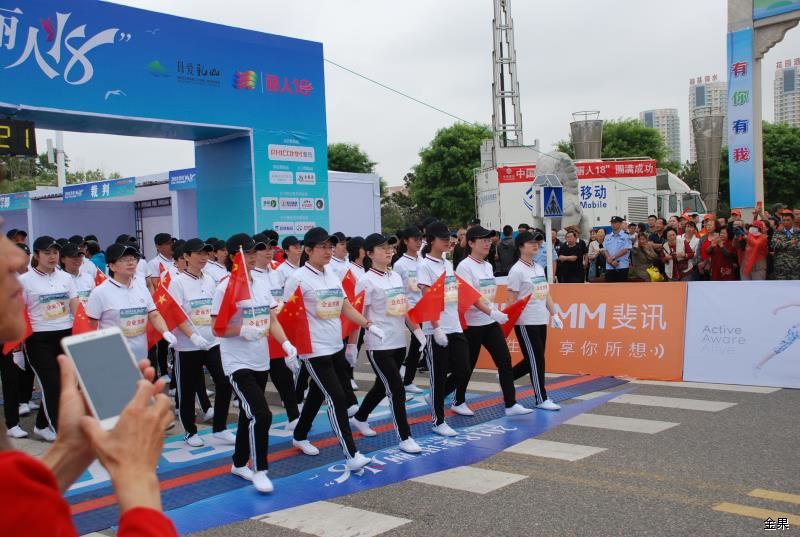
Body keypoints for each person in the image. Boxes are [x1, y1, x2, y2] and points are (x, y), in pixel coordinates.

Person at [286, 227, 380, 472]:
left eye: (330, 246)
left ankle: (300, 434)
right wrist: (289, 349)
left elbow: (345, 307)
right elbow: (286, 316)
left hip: (335, 345)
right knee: (337, 398)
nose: (328, 251)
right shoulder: (298, 278)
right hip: (313, 350)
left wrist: (368, 325)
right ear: (308, 250)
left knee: (318, 394)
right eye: (323, 247)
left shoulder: (331, 274)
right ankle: (351, 454)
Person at [211, 233, 299, 493]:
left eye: (254, 252)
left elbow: (272, 318)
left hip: (261, 360)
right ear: (233, 256)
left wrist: (286, 344)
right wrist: (241, 330)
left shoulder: (261, 281)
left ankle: (238, 463)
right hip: (237, 363)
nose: (252, 257)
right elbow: (217, 328)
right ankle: (260, 469)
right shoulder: (225, 287)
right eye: (247, 253)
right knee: (261, 414)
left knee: (247, 415)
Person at [347, 233, 424, 454]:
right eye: (382, 248)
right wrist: (352, 346)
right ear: (369, 254)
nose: (388, 251)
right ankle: (405, 437)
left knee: (382, 386)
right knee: (396, 389)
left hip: (398, 342)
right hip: (378, 345)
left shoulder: (395, 277)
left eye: (389, 247)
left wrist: (418, 332)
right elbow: (356, 314)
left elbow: (404, 308)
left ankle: (360, 417)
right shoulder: (365, 281)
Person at [451, 225, 530, 416]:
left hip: (489, 323)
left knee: (504, 361)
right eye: (483, 240)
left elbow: (487, 295)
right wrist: (491, 312)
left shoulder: (487, 265)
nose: (487, 243)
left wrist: (493, 311)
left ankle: (510, 404)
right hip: (472, 325)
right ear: (471, 243)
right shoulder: (464, 267)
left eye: (489, 240)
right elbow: (470, 296)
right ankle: (456, 400)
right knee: (466, 367)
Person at [169, 239, 235, 448]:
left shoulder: (210, 280)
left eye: (206, 253)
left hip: (213, 342)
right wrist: (192, 336)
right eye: (198, 253)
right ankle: (190, 431)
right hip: (188, 346)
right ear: (186, 256)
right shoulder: (178, 282)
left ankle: (220, 427)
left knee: (224, 382)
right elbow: (175, 314)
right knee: (187, 390)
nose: (203, 257)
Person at [19, 236, 80, 441]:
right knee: (52, 384)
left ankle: (42, 425)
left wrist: (86, 329)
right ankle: (60, 431)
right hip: (39, 339)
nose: (52, 256)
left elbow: (74, 304)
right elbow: (18, 312)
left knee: (65, 384)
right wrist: (17, 349)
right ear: (37, 255)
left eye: (55, 252)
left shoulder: (66, 278)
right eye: (47, 253)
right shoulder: (25, 280)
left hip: (65, 335)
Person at [417, 221, 469, 437]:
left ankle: (436, 397)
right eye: (443, 238)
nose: (448, 241)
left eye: (449, 237)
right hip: (436, 329)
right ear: (431, 240)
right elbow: (427, 299)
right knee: (438, 376)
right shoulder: (425, 266)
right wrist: (436, 328)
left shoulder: (447, 264)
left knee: (464, 369)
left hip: (454, 325)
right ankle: (438, 421)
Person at [86, 243, 176, 364]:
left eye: (133, 259)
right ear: (112, 266)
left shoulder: (141, 289)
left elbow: (153, 314)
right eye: (124, 260)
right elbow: (90, 326)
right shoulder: (99, 293)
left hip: (141, 356)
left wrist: (165, 331)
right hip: (113, 359)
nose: (131, 263)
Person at [507, 231, 564, 410]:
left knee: (533, 358)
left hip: (541, 319)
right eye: (531, 242)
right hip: (526, 321)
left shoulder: (538, 267)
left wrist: (554, 314)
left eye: (537, 242)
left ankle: (506, 377)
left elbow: (545, 293)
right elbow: (511, 300)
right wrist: (510, 321)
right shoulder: (516, 270)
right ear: (520, 246)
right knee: (536, 360)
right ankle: (541, 398)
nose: (535, 245)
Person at [392, 226, 426, 394]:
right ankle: (406, 379)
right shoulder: (400, 265)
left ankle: (406, 375)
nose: (418, 242)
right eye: (415, 239)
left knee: (418, 344)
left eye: (420, 239)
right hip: (410, 309)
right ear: (406, 241)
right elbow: (399, 290)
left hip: (424, 307)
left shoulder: (423, 261)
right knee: (417, 342)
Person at [772, 211, 800, 280]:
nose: (785, 222)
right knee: (780, 286)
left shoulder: (798, 233)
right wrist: (791, 243)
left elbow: (798, 247)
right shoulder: (777, 233)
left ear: (793, 220)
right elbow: (775, 245)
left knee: (794, 286)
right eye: (784, 220)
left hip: (795, 267)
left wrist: (782, 243)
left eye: (788, 220)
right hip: (781, 266)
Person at [603, 217, 631, 282]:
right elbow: (605, 250)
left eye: (615, 222)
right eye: (612, 222)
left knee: (622, 287)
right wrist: (610, 260)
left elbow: (625, 250)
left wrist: (612, 258)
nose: (613, 224)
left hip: (622, 266)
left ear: (620, 224)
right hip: (609, 266)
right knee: (609, 287)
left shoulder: (627, 236)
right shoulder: (607, 237)